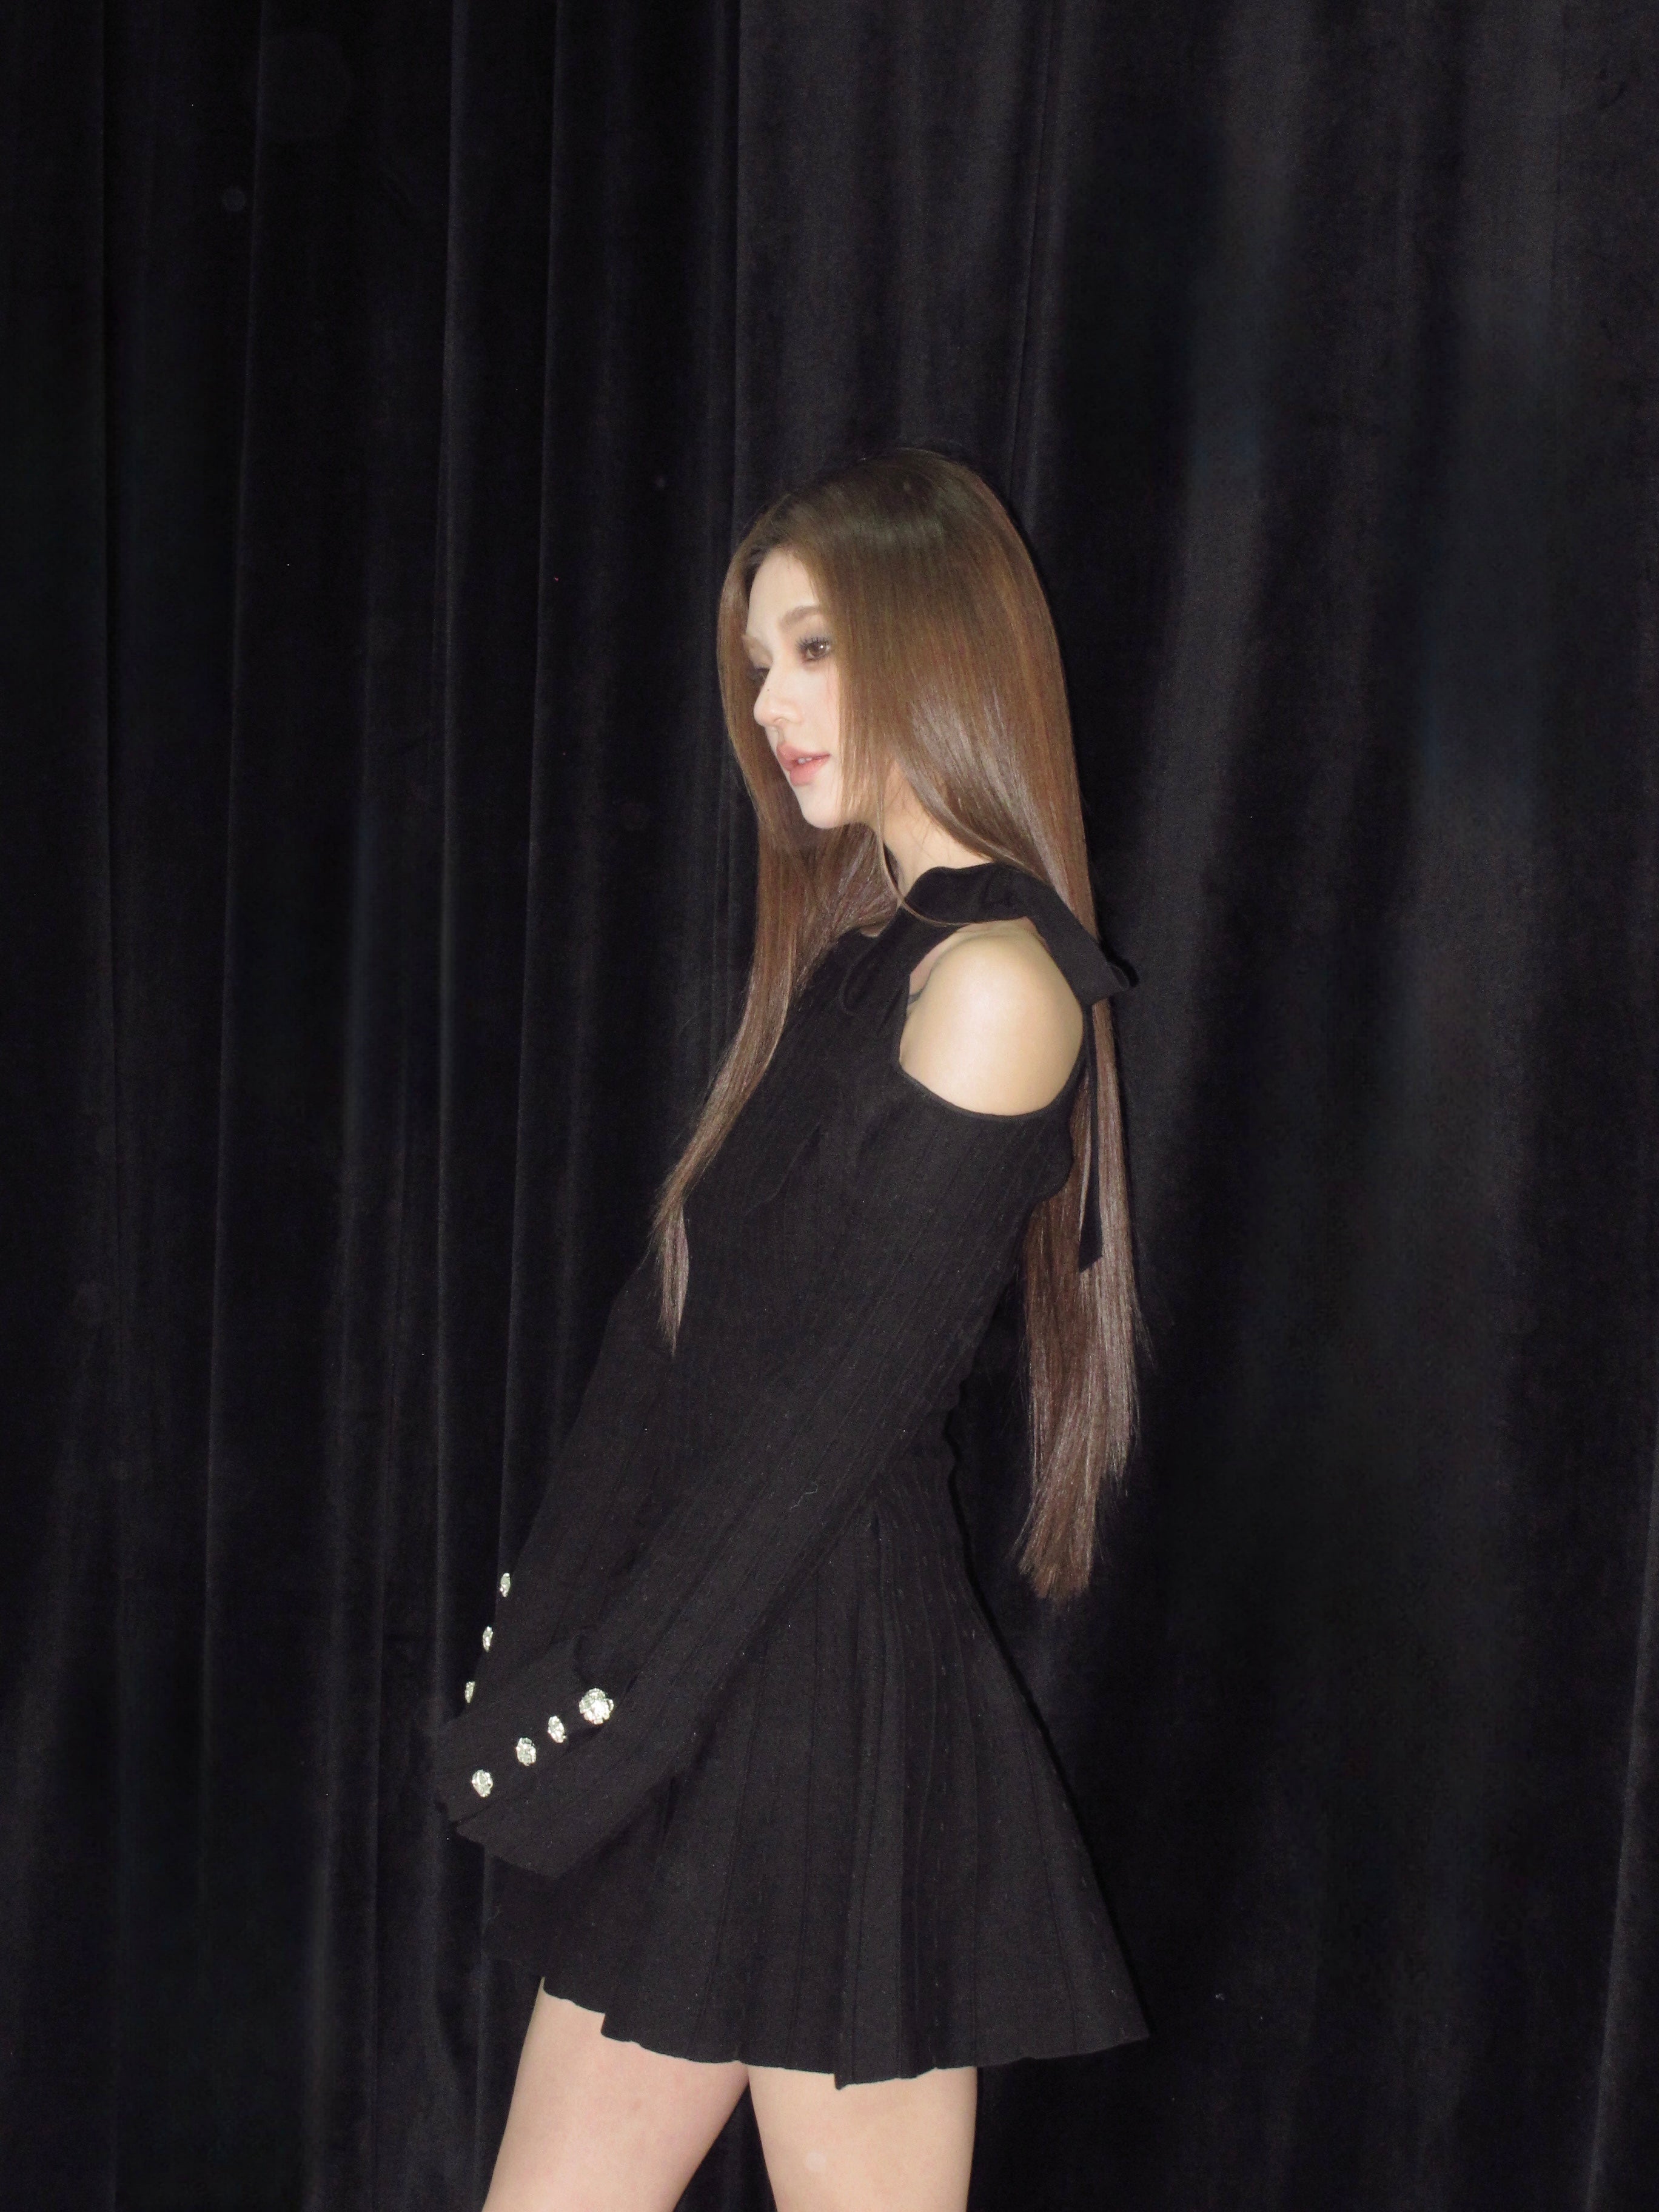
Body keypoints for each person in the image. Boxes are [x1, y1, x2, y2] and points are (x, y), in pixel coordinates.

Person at [434, 451, 1147, 2211]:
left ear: (935, 640)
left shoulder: (996, 983)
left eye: (816, 649)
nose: (768, 705)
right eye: (761, 663)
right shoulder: (862, 954)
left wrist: (601, 1716)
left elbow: (812, 1438)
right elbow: (674, 1351)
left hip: (824, 1717)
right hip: (732, 1686)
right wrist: (562, 1654)